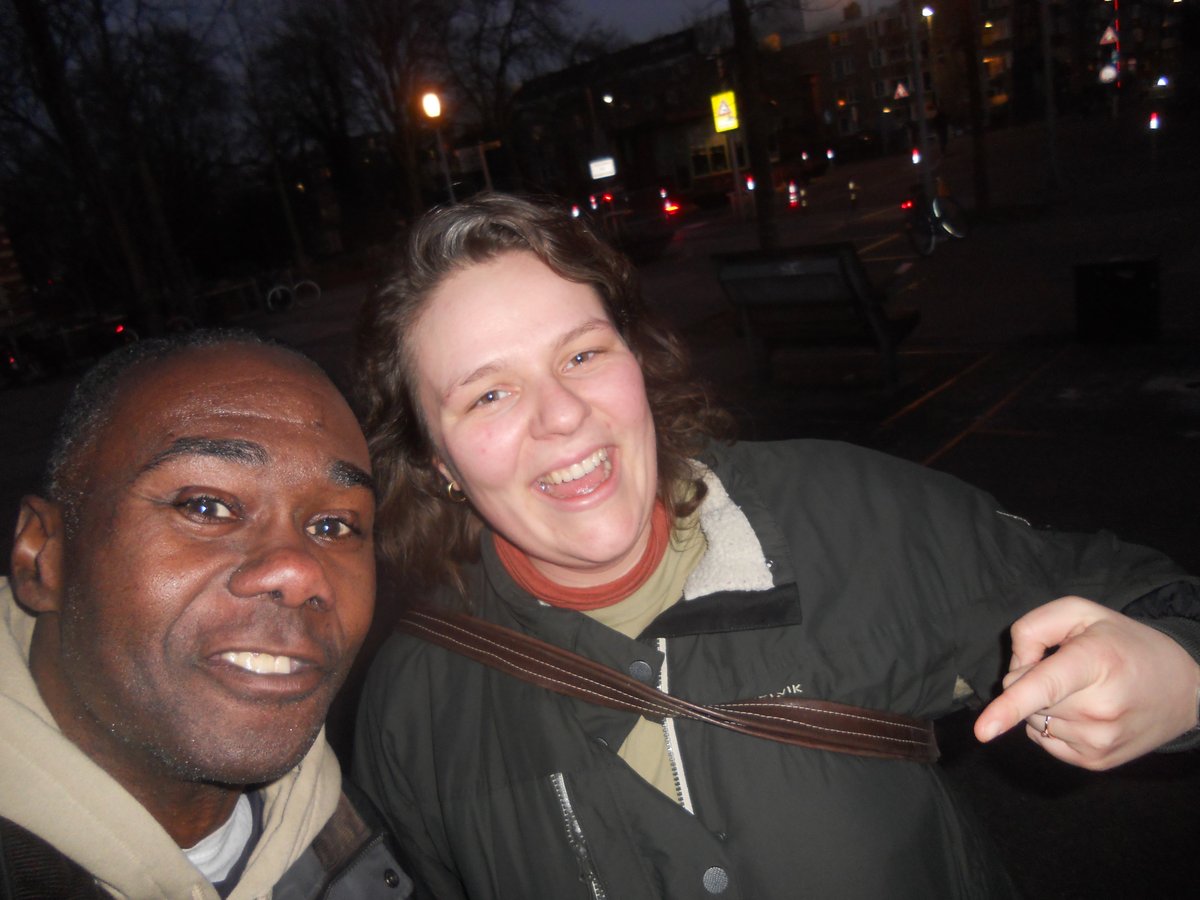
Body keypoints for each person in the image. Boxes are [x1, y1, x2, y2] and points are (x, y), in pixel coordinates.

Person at [351, 193, 1200, 899]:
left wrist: (1178, 674)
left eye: (582, 352)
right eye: (490, 393)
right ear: (439, 461)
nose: (562, 414)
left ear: (635, 360)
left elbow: (1138, 594)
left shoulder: (854, 517)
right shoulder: (411, 713)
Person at [0, 331, 414, 899]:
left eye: (333, 526)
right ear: (42, 556)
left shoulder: (373, 826)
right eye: (206, 506)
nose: (300, 572)